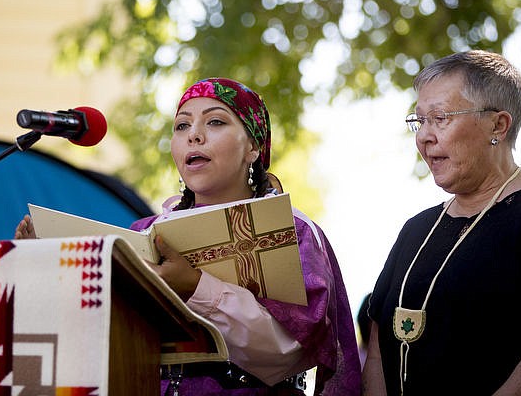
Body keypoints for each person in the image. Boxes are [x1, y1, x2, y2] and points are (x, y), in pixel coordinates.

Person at [127, 78, 361, 395]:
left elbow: (293, 348)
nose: (193, 135)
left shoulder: (291, 230)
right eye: (182, 126)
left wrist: (197, 287)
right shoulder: (142, 234)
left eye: (215, 121)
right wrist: (42, 262)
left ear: (253, 147)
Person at [362, 51, 521, 395]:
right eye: (419, 121)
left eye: (440, 117)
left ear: (498, 125)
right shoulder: (415, 230)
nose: (423, 137)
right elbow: (378, 347)